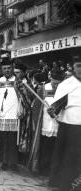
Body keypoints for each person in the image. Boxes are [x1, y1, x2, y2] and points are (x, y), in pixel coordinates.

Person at [0, 59, 28, 170]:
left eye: (9, 68)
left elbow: (25, 96)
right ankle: (4, 161)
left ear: (12, 68)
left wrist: (22, 108)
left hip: (14, 114)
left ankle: (13, 163)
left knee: (13, 139)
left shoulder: (18, 81)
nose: (7, 70)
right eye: (4, 68)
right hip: (0, 114)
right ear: (1, 69)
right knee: (2, 138)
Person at [48, 56, 81, 191]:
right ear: (73, 68)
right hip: (70, 127)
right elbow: (56, 107)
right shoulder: (66, 85)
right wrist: (52, 110)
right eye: (79, 66)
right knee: (69, 157)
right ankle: (66, 185)